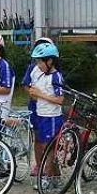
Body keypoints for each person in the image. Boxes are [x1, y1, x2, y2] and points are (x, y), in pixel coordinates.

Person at [26, 39, 65, 186]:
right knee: (44, 145)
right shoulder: (40, 74)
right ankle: (55, 177)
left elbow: (60, 99)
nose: (38, 65)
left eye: (40, 62)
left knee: (48, 148)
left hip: (52, 117)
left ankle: (48, 177)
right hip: (41, 114)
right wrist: (34, 93)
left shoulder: (56, 76)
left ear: (50, 61)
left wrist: (40, 94)